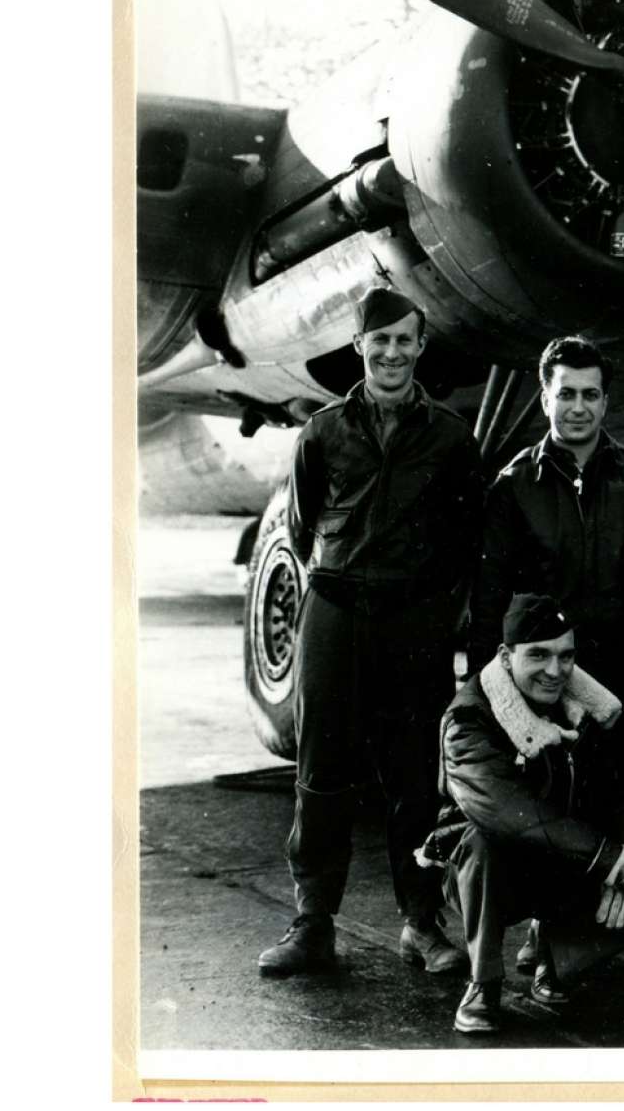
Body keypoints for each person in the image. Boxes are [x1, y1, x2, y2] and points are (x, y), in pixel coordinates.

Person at [258, 287, 480, 980]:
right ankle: (312, 924)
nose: (391, 353)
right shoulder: (322, 431)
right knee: (321, 771)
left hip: (413, 618)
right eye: (378, 340)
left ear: (420, 347)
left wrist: (434, 610)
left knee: (414, 777)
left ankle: (420, 923)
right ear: (358, 347)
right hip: (336, 611)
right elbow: (301, 527)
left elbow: (464, 538)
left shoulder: (449, 436)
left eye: (404, 340)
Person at [471, 335, 624, 863]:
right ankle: (547, 932)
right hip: (550, 670)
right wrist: (484, 675)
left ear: (605, 402)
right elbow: (491, 590)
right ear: (545, 398)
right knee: (553, 795)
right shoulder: (514, 485)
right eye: (566, 394)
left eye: (590, 395)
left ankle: (618, 929)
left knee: (623, 793)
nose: (577, 408)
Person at [425, 594, 624, 1035]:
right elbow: (504, 812)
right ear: (505, 655)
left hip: (565, 857)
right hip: (491, 870)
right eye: (538, 655)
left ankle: (554, 961)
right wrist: (611, 860)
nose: (555, 671)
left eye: (565, 656)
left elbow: (619, 792)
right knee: (479, 842)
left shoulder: (588, 706)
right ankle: (484, 983)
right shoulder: (468, 716)